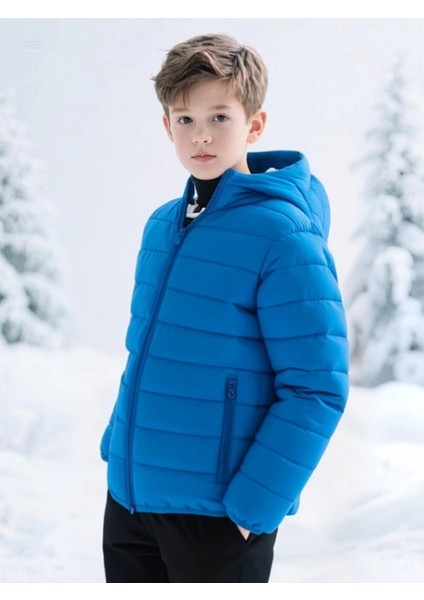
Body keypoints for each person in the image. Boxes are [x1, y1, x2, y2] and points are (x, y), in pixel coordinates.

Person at [100, 33, 349, 583]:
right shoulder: (160, 226)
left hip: (218, 518)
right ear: (167, 125)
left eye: (219, 117)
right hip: (131, 504)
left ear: (254, 125)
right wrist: (117, 451)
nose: (201, 135)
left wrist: (252, 510)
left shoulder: (284, 236)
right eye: (185, 119)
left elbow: (317, 388)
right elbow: (145, 352)